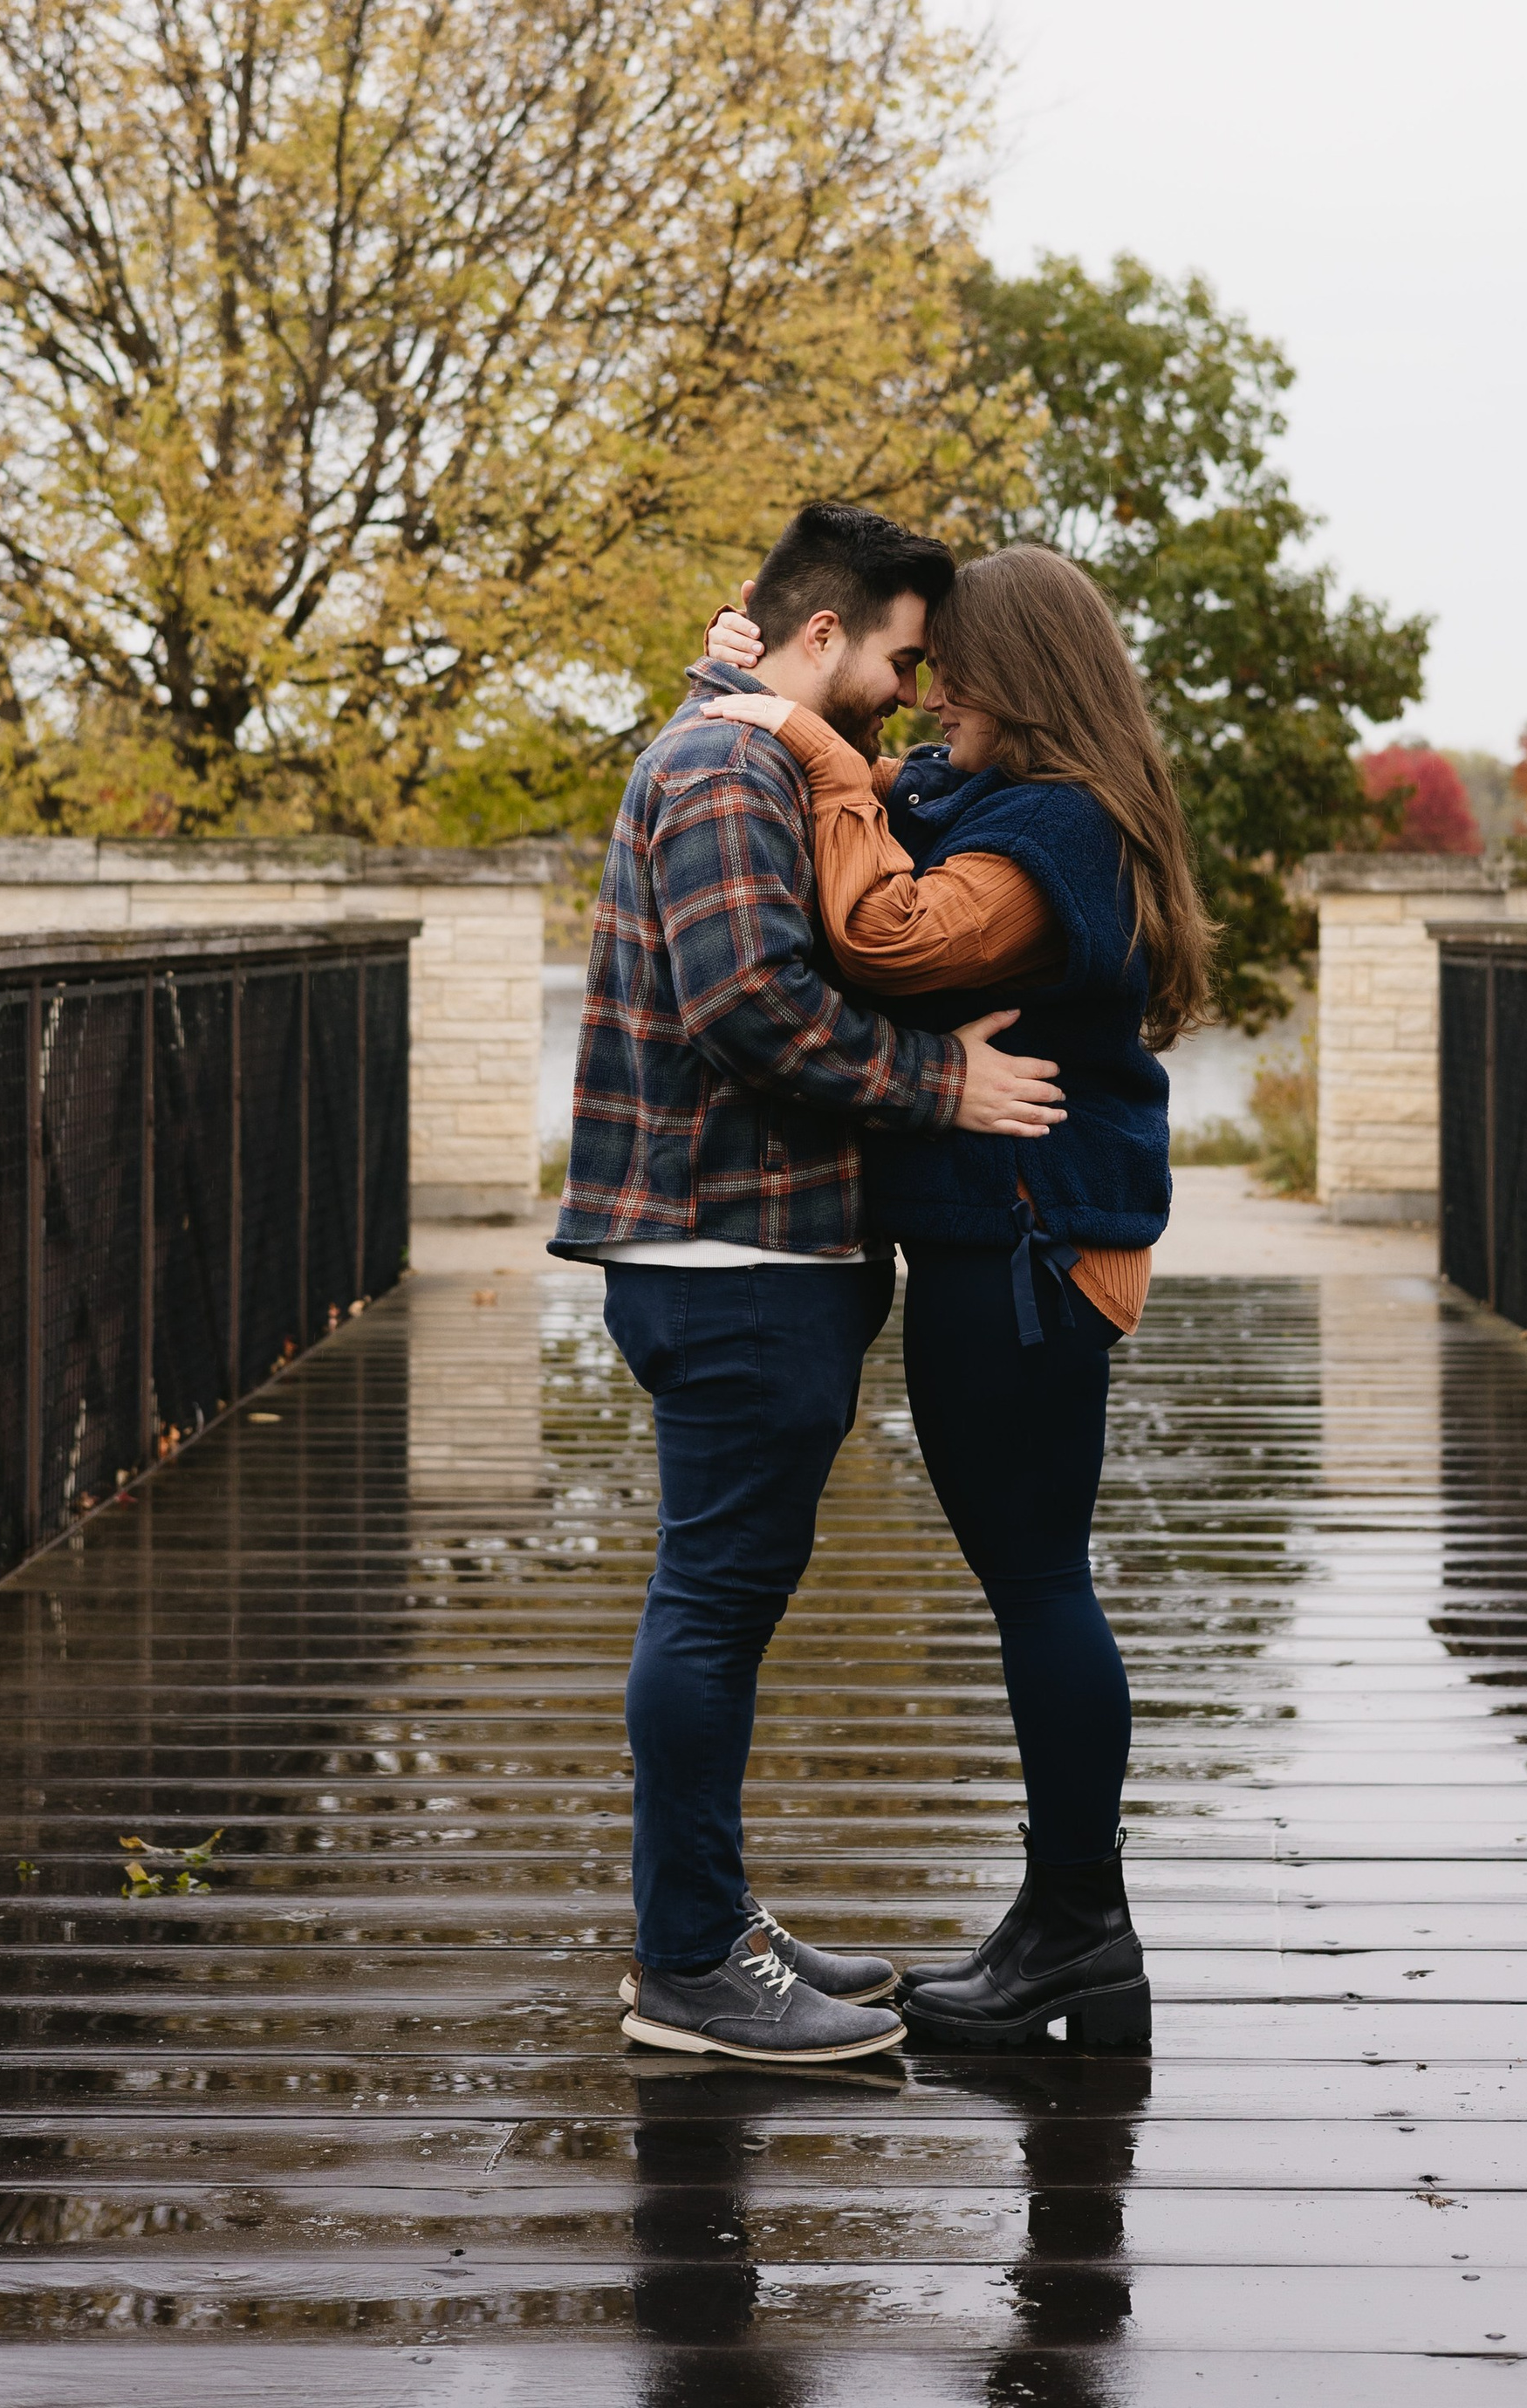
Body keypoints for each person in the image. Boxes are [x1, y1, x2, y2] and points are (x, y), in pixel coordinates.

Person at [551, 503, 1069, 2069]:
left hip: (754, 1249)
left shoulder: (746, 751)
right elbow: (750, 1006)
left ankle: (707, 1919)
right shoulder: (725, 768)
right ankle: (693, 1965)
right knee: (711, 1607)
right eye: (903, 659)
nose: (910, 694)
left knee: (722, 1601)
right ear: (823, 634)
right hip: (731, 1249)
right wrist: (943, 1088)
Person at [700, 539, 1210, 2050]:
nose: (926, 693)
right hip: (1011, 1241)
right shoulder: (994, 797)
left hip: (1034, 1247)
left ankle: (1079, 1931)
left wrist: (797, 735)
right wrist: (750, 693)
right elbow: (861, 795)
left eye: (947, 668)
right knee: (1030, 1575)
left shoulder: (1051, 827)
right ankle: (1067, 1922)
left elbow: (881, 931)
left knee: (1040, 1578)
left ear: (1018, 674)